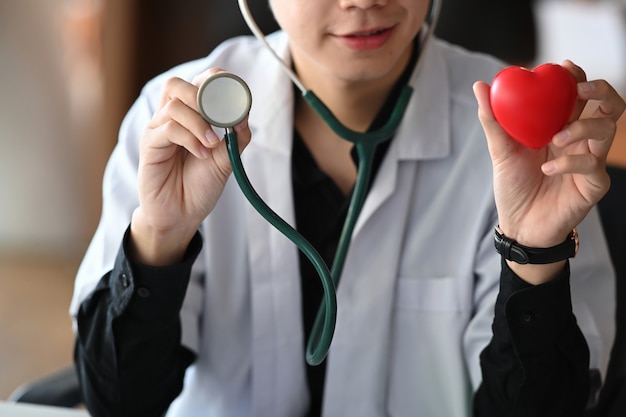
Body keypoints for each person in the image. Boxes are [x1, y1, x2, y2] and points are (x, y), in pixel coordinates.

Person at [69, 0, 625, 416]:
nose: (362, 0)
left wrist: (534, 252)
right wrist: (161, 238)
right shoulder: (172, 121)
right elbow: (118, 403)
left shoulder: (525, 136)